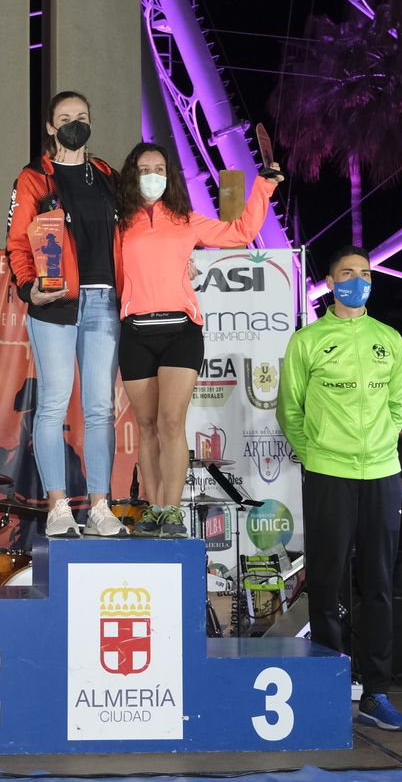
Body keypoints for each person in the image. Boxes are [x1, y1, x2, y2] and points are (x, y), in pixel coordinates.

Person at [113, 142, 281, 537]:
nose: (151, 175)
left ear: (169, 175)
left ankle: (171, 510)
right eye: (143, 169)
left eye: (159, 168)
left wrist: (264, 187)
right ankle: (153, 510)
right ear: (131, 175)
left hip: (181, 332)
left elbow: (241, 232)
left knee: (172, 422)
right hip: (135, 331)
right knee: (148, 425)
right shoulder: (119, 223)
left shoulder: (186, 220)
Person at [278, 245, 402, 732]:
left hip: (382, 473)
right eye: (347, 274)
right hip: (328, 473)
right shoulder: (308, 341)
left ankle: (377, 693)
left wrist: (380, 447)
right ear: (331, 283)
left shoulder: (390, 339)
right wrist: (317, 456)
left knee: (378, 585)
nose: (358, 280)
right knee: (328, 583)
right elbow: (289, 409)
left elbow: (399, 404)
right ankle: (329, 689)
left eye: (365, 274)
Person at [4, 90, 126, 538]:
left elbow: (134, 232)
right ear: (52, 128)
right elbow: (17, 241)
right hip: (55, 304)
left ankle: (99, 505)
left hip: (103, 302)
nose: (76, 123)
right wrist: (27, 288)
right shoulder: (34, 178)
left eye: (83, 116)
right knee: (53, 404)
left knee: (99, 409)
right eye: (66, 118)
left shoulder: (107, 175)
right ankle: (58, 505)